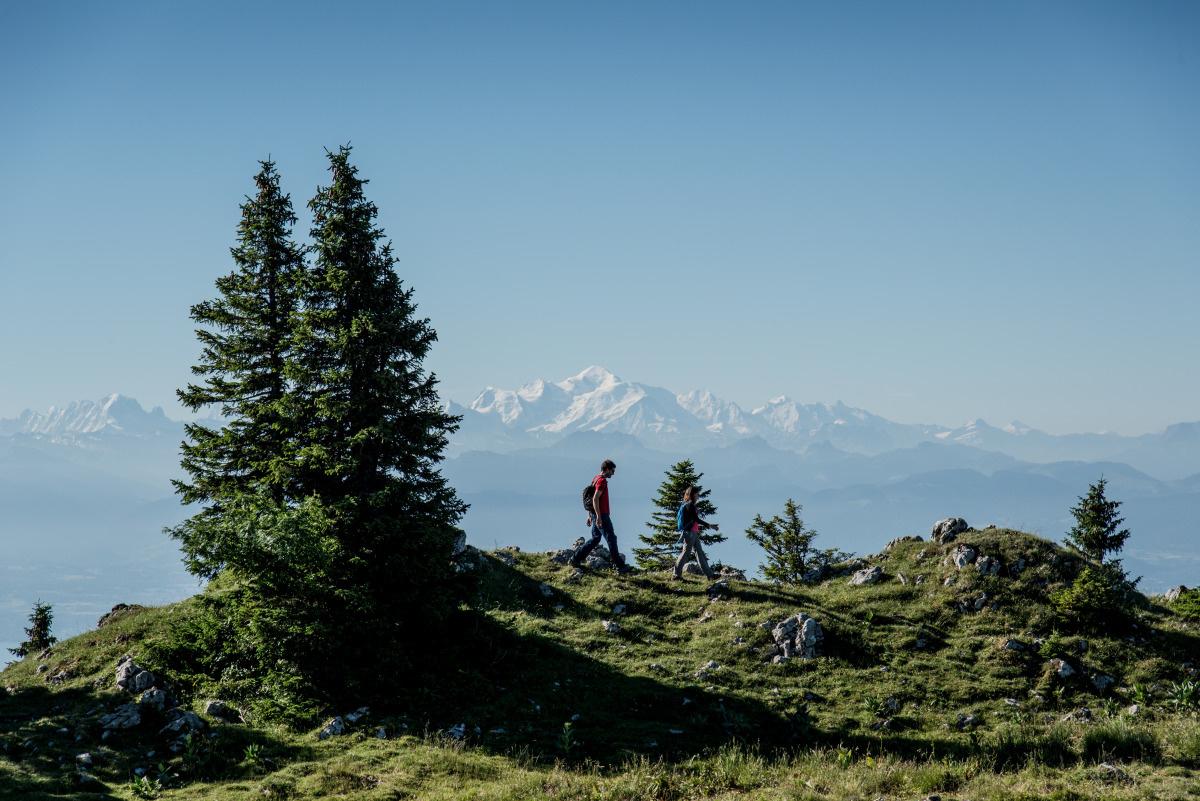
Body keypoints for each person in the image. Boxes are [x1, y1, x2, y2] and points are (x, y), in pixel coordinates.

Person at [571, 459, 629, 573]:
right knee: (611, 539)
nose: (613, 473)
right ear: (606, 469)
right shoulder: (602, 481)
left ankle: (576, 558)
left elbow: (591, 497)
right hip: (602, 515)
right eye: (612, 470)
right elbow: (595, 498)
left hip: (595, 514)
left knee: (595, 539)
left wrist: (590, 515)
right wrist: (598, 517)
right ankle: (620, 566)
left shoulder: (596, 478)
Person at [674, 485, 718, 580]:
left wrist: (704, 526)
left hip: (692, 533)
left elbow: (693, 521)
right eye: (697, 493)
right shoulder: (690, 505)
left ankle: (710, 575)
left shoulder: (687, 504)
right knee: (686, 553)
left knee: (700, 553)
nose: (698, 495)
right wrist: (709, 525)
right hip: (689, 533)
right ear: (693, 494)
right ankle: (676, 574)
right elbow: (696, 519)